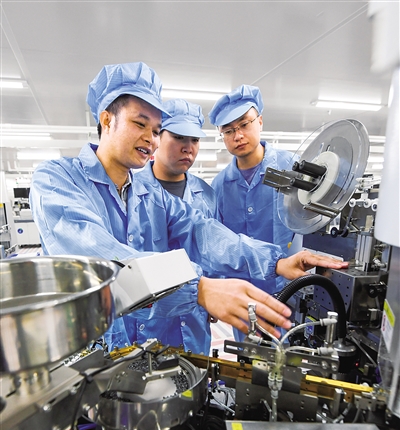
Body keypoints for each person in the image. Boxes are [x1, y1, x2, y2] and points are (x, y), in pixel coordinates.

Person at [29, 62, 347, 353]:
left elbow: (202, 233)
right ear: (107, 119)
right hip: (91, 355)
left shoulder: (150, 195)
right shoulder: (57, 179)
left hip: (147, 353)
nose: (151, 140)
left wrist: (277, 261)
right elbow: (100, 260)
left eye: (156, 130)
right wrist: (199, 289)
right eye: (140, 124)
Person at [209, 85, 297, 340]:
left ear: (259, 122)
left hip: (289, 291)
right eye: (228, 131)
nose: (238, 135)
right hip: (244, 297)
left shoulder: (291, 168)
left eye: (244, 125)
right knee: (249, 358)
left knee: (292, 354)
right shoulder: (220, 186)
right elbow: (216, 242)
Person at [132, 98, 216, 353]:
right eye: (179, 137)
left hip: (194, 318)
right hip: (148, 321)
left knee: (196, 374)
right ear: (157, 137)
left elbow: (214, 248)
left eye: (195, 140)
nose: (188, 148)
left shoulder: (206, 194)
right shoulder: (131, 191)